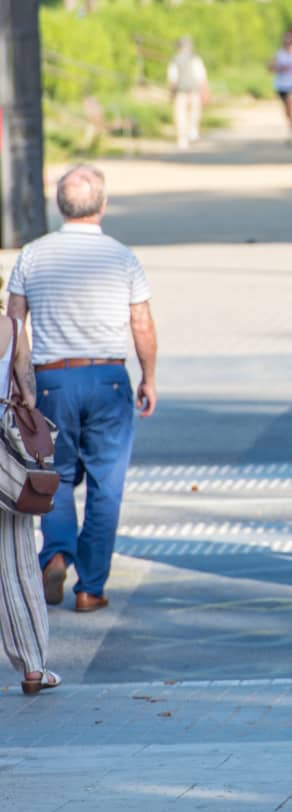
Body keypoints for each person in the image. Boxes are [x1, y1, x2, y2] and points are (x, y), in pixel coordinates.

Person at [10, 166, 157, 614]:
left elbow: (14, 326)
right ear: (103, 205)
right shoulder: (122, 257)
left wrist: (22, 386)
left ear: (59, 206)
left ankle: (55, 554)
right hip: (108, 378)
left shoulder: (32, 255)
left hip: (52, 379)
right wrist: (149, 376)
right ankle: (91, 587)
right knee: (106, 485)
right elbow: (142, 323)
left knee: (53, 477)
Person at [0, 315, 50, 694]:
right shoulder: (12, 328)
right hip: (5, 467)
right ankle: (33, 666)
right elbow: (28, 396)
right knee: (17, 565)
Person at [165, 37, 208, 150]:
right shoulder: (194, 59)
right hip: (193, 90)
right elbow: (201, 77)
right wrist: (204, 90)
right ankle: (192, 131)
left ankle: (183, 138)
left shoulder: (175, 60)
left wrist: (171, 92)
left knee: (180, 115)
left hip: (181, 91)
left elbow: (172, 79)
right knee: (194, 112)